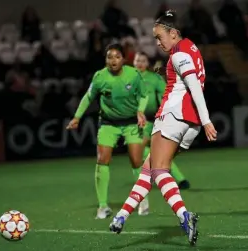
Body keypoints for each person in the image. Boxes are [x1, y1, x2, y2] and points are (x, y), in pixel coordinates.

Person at [109, 10, 217, 246]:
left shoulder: (178, 55)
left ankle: (184, 216)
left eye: (160, 37)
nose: (157, 42)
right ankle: (122, 215)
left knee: (159, 171)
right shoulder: (190, 48)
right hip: (190, 122)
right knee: (150, 168)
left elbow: (194, 87)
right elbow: (186, 78)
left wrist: (208, 119)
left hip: (174, 115)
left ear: (174, 33)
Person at [66, 43, 148, 220]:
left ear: (123, 59)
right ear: (105, 59)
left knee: (135, 161)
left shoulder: (133, 74)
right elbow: (88, 97)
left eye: (117, 57)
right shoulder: (99, 77)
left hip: (131, 123)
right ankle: (103, 206)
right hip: (108, 123)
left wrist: (140, 110)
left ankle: (143, 199)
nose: (113, 60)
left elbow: (144, 94)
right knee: (102, 160)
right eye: (109, 57)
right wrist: (77, 117)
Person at [133, 51, 191, 216]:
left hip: (153, 120)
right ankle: (178, 179)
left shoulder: (154, 78)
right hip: (136, 122)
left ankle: (148, 184)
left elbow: (166, 95)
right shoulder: (129, 77)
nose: (140, 63)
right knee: (148, 152)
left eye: (143, 60)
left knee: (154, 152)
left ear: (147, 63)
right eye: (137, 60)